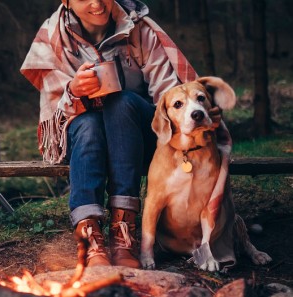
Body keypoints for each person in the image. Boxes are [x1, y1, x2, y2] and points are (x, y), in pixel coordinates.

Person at [21, 0, 223, 268]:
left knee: (121, 102)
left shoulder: (140, 30)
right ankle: (89, 237)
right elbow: (56, 114)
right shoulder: (52, 37)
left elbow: (171, 94)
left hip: (139, 137)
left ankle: (123, 231)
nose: (96, 3)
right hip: (85, 138)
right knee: (90, 124)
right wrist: (74, 90)